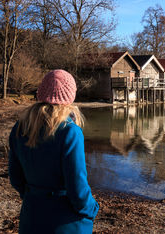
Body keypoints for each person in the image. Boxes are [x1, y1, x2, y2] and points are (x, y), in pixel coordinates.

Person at [8, 69, 99, 234]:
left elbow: (15, 178)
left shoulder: (19, 128)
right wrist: (92, 209)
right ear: (70, 97)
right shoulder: (70, 132)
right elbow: (77, 188)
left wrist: (34, 197)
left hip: (31, 218)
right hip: (66, 223)